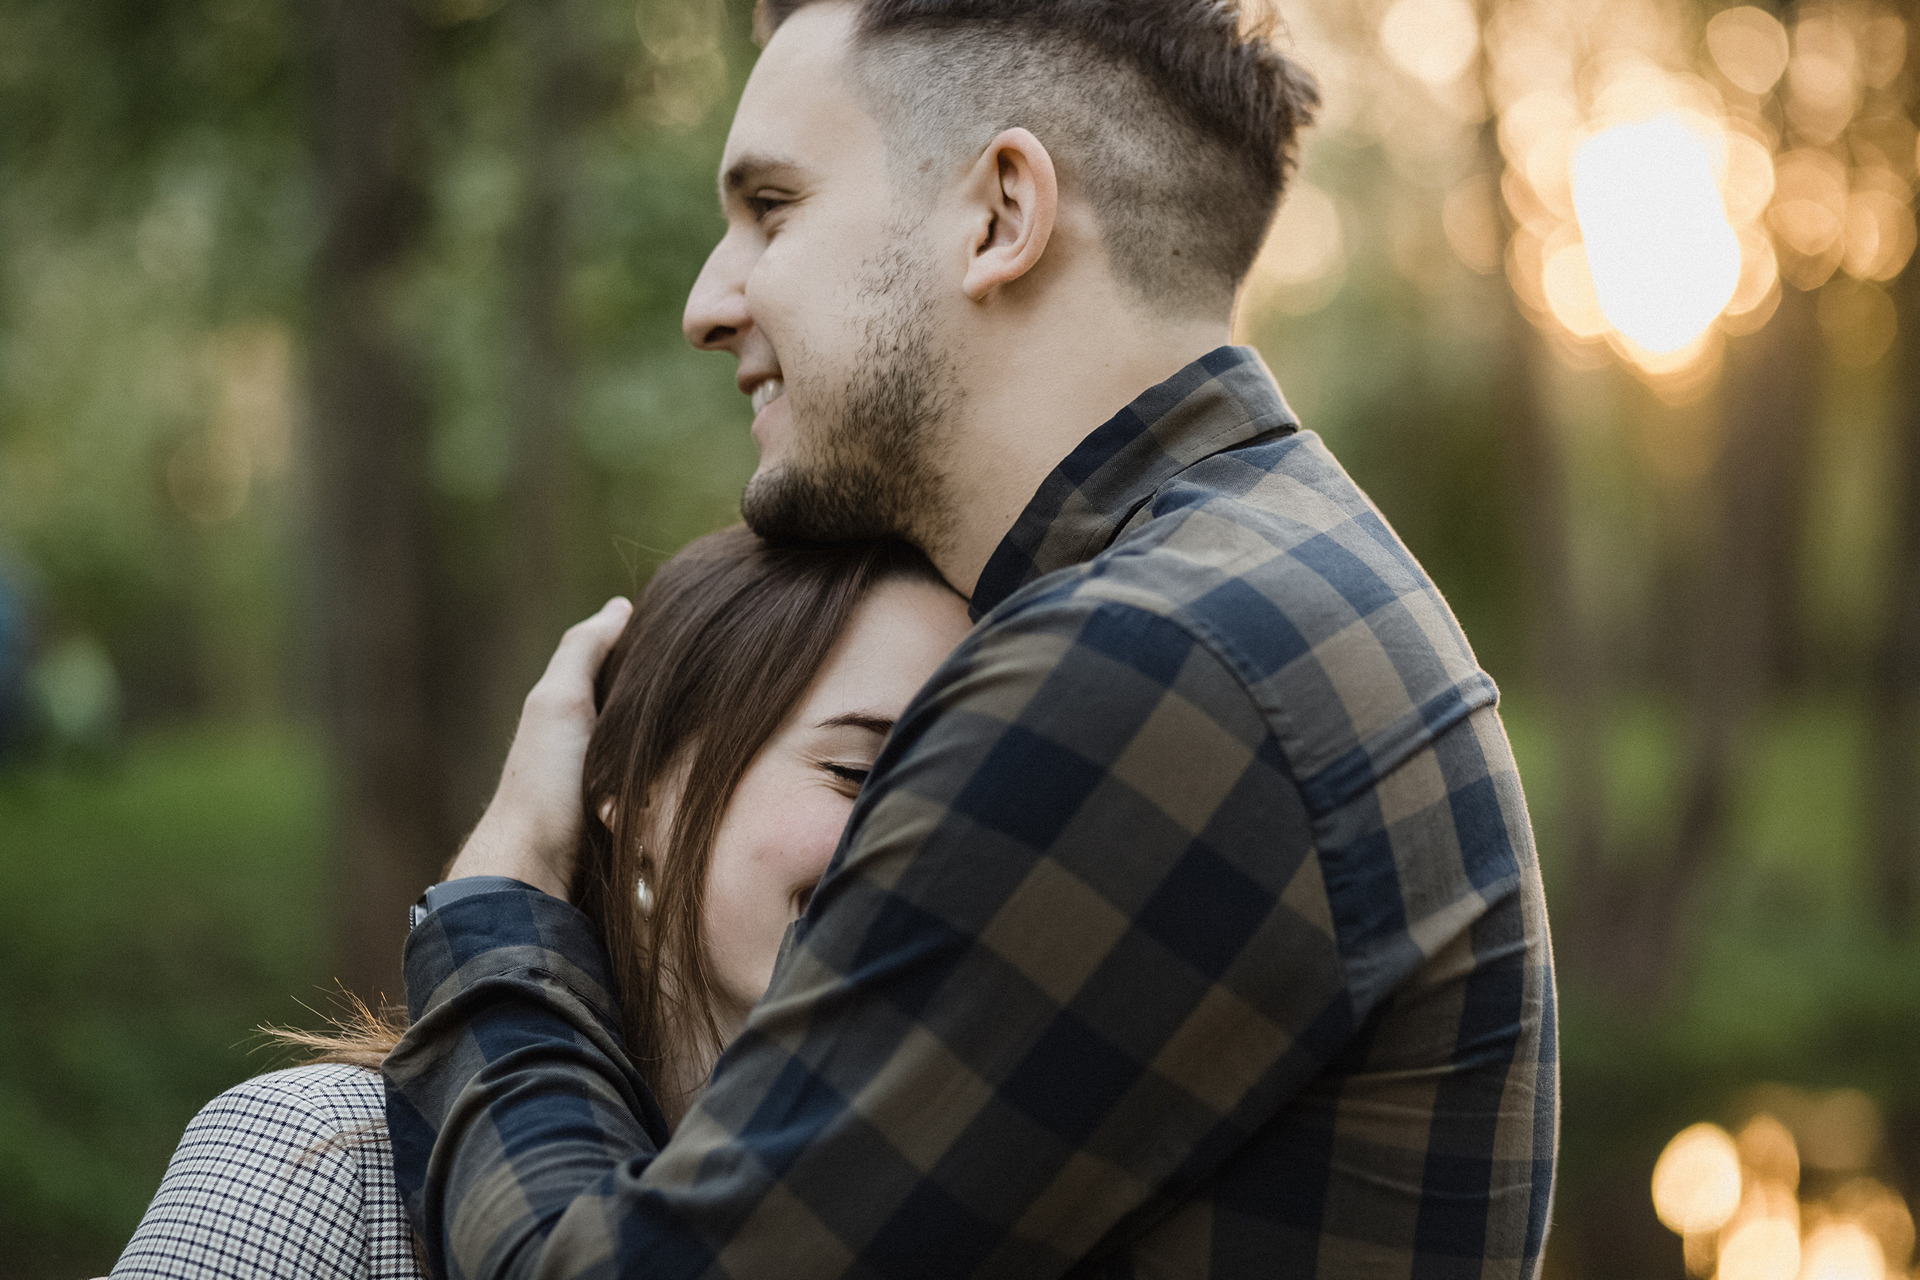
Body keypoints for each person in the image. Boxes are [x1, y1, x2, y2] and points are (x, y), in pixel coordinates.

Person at [388, 2, 1560, 1277]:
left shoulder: (1147, 666)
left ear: (1002, 214)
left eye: (771, 208)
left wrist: (499, 907)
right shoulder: (1278, 582)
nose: (709, 302)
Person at [108, 530, 972, 1280]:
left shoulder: (942, 1218)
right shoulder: (315, 1160)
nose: (917, 845)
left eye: (966, 800)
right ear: (634, 789)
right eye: (856, 773)